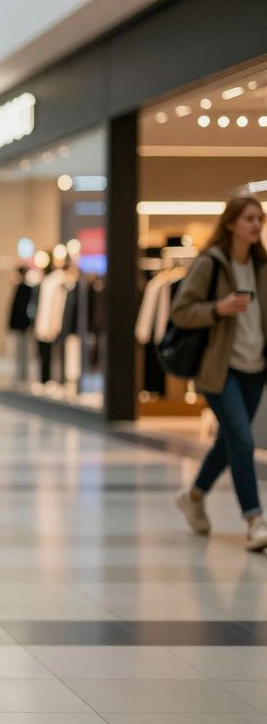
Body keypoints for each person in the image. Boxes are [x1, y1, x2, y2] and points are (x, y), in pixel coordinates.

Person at [171, 195, 267, 551]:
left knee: (229, 441)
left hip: (255, 367)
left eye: (259, 219)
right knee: (242, 439)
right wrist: (218, 309)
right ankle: (255, 519)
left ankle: (193, 497)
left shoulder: (261, 266)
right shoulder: (211, 264)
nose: (256, 225)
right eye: (249, 219)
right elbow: (181, 312)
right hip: (219, 368)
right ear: (231, 224)